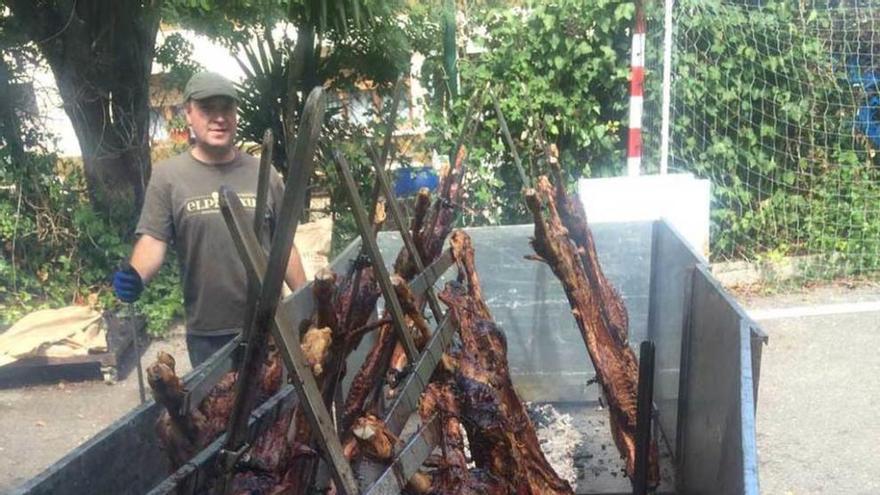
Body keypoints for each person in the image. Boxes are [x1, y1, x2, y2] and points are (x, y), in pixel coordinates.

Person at [113, 71, 306, 367]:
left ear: (235, 114)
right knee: (219, 413)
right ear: (188, 113)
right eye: (207, 109)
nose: (219, 118)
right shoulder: (169, 177)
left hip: (270, 326)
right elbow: (153, 240)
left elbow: (285, 247)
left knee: (275, 411)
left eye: (226, 108)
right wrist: (135, 275)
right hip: (208, 336)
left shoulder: (263, 173)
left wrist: (308, 301)